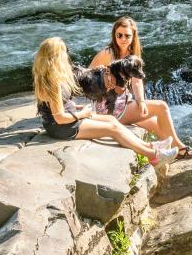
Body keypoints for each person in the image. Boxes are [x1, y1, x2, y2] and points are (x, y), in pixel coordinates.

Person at [32, 37, 177, 164]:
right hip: (62, 127)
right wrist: (82, 114)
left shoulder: (53, 75)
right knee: (112, 129)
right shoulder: (52, 82)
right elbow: (59, 118)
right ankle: (154, 156)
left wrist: (76, 107)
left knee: (111, 120)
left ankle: (151, 146)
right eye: (65, 51)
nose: (67, 54)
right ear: (56, 56)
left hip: (69, 118)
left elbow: (59, 104)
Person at [90, 16, 192, 159]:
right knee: (161, 107)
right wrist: (102, 82)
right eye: (119, 35)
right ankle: (179, 148)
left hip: (123, 102)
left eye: (127, 36)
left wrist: (141, 101)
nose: (123, 39)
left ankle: (167, 154)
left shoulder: (131, 54)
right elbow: (87, 77)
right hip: (109, 109)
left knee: (155, 123)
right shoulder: (107, 53)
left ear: (133, 36)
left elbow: (137, 81)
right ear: (114, 35)